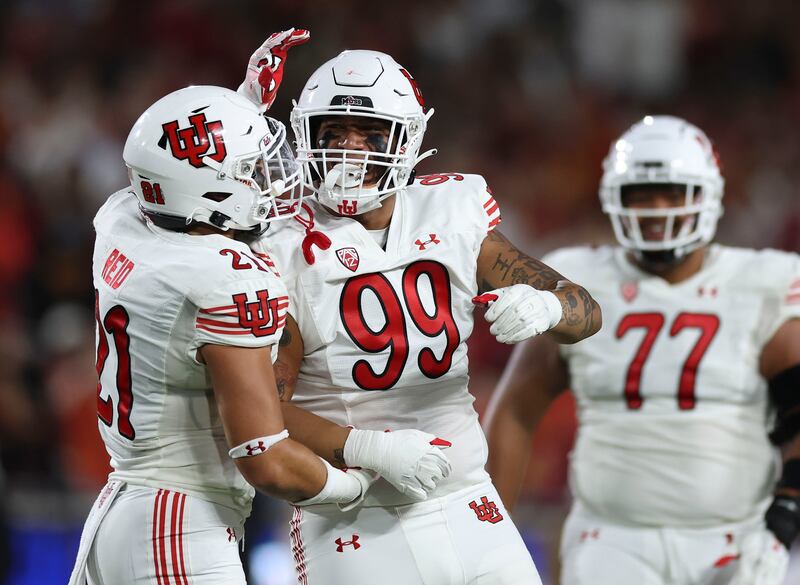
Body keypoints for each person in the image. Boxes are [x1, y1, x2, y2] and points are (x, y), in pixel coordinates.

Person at [69, 76, 454, 585]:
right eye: (249, 171)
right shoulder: (227, 280)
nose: (268, 181)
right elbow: (265, 458)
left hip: (119, 514)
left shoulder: (122, 220)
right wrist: (355, 486)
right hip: (178, 528)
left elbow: (167, 171)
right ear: (206, 187)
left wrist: (236, 109)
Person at [246, 48, 601, 585]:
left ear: (406, 139)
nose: (350, 151)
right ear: (305, 138)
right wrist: (366, 447)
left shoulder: (452, 212)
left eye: (369, 134)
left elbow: (587, 312)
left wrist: (549, 303)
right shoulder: (283, 247)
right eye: (333, 133)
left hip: (468, 499)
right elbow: (259, 414)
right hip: (351, 516)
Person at [484, 115, 800, 585]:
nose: (657, 209)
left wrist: (785, 518)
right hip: (611, 540)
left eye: (673, 192)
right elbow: (514, 411)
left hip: (736, 537)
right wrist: (491, 541)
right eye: (641, 194)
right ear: (614, 198)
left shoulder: (762, 282)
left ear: (709, 195)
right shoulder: (576, 279)